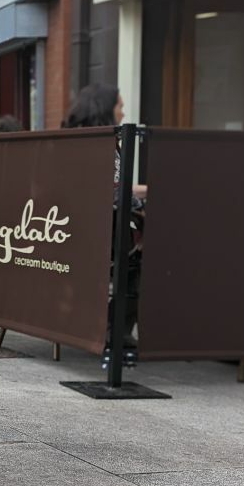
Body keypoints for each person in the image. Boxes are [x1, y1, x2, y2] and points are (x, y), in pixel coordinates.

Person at [61, 83, 145, 348]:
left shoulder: (75, 141)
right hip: (97, 236)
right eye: (120, 106)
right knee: (142, 257)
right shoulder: (104, 144)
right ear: (106, 109)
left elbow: (106, 188)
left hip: (68, 230)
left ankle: (109, 326)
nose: (124, 112)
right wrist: (142, 198)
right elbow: (113, 194)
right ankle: (116, 329)